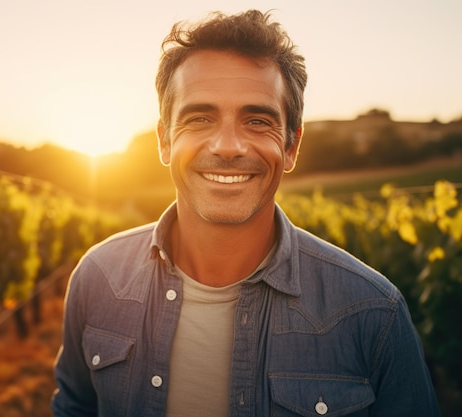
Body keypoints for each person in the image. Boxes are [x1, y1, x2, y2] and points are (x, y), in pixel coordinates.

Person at [51, 9, 440, 417]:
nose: (228, 145)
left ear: (291, 147)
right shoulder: (98, 278)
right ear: (164, 140)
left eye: (257, 120)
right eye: (200, 118)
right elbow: (75, 407)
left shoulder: (373, 312)